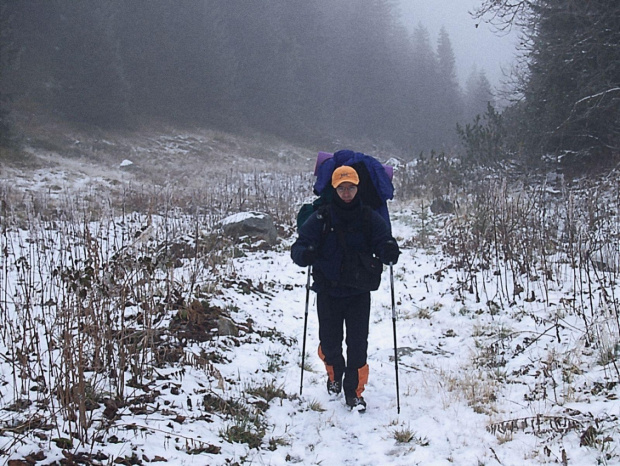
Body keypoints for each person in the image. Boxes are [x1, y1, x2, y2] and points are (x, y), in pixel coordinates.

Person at [291, 165, 401, 411]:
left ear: (357, 187)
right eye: (342, 188)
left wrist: (388, 251)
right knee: (329, 344)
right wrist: (304, 255)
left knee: (357, 344)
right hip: (328, 291)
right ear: (335, 189)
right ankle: (334, 374)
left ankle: (354, 392)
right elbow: (299, 246)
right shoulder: (321, 217)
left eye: (351, 187)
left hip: (358, 292)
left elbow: (384, 240)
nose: (347, 192)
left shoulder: (368, 216)